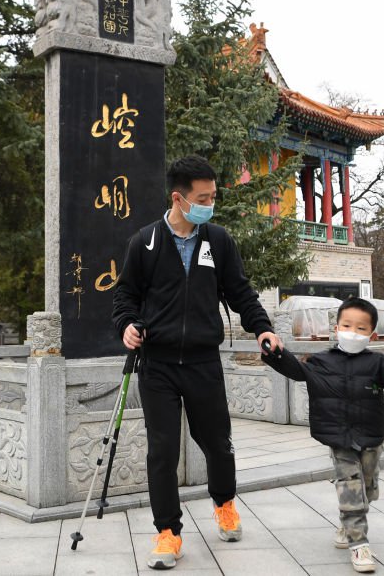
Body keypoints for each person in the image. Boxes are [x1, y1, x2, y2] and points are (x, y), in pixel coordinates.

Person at [112, 155, 284, 571]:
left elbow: (241, 292)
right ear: (179, 198)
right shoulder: (145, 242)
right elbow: (124, 298)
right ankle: (168, 532)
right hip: (158, 364)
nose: (211, 204)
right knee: (162, 450)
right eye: (203, 198)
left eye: (213, 196)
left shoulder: (218, 241)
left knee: (217, 444)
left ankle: (224, 504)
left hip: (204, 361)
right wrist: (127, 326)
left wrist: (262, 328)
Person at [261, 297, 384, 574]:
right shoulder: (321, 361)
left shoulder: (376, 363)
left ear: (372, 335)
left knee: (367, 488)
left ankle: (347, 524)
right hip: (339, 438)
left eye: (361, 328)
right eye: (346, 326)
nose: (352, 332)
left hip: (370, 436)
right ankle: (358, 543)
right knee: (350, 487)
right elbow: (296, 370)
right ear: (336, 329)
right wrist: (276, 353)